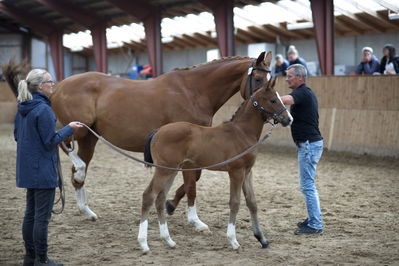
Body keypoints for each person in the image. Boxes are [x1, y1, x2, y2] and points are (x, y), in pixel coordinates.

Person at [14, 69, 82, 266]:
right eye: (50, 81)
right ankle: (41, 260)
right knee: (41, 218)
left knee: (30, 214)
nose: (53, 84)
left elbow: (18, 136)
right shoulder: (43, 110)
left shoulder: (23, 107)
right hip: (42, 170)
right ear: (40, 86)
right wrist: (69, 128)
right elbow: (49, 141)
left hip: (27, 168)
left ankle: (31, 257)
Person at [280, 64, 324, 235]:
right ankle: (313, 218)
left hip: (308, 145)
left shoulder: (302, 93)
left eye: (290, 76)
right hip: (309, 144)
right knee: (308, 185)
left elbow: (284, 100)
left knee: (307, 186)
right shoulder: (306, 93)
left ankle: (315, 225)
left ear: (299, 77)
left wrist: (266, 95)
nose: (287, 78)